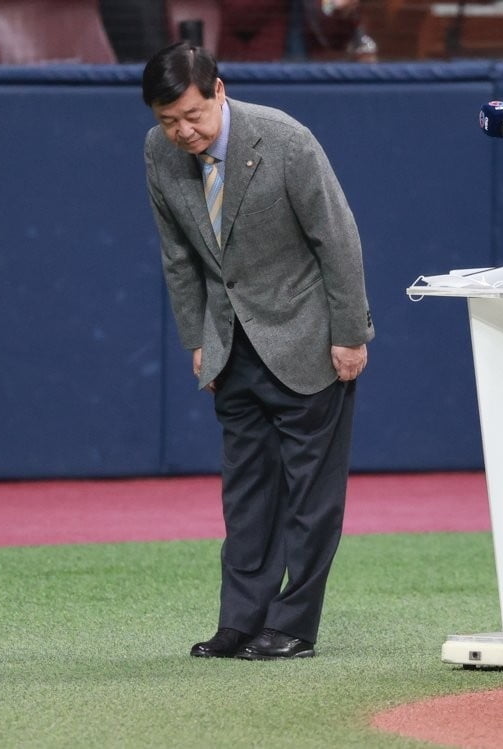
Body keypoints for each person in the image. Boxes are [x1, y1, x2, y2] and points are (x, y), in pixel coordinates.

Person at [141, 42, 373, 660]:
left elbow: (339, 238)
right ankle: (240, 621)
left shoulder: (285, 140)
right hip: (229, 347)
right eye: (167, 120)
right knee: (245, 494)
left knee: (311, 497)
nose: (181, 132)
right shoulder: (159, 153)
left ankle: (294, 626)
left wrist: (351, 333)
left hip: (309, 339)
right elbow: (178, 257)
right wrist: (197, 339)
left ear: (219, 90)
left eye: (192, 115)